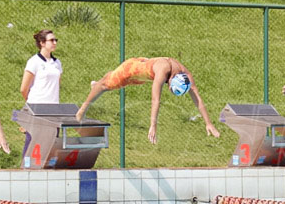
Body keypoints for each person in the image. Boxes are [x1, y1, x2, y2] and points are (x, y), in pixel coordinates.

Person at [75, 57, 220, 144]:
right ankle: (82, 110)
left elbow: (198, 98)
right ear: (170, 82)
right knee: (105, 85)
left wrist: (209, 123)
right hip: (131, 70)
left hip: (142, 73)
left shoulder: (186, 74)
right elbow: (156, 99)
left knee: (110, 79)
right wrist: (153, 125)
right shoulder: (163, 71)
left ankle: (100, 83)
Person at [20, 29, 62, 103]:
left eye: (56, 40)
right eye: (51, 40)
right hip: (37, 106)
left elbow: (57, 85)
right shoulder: (34, 61)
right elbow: (23, 89)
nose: (55, 43)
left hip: (53, 107)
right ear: (42, 43)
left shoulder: (57, 63)